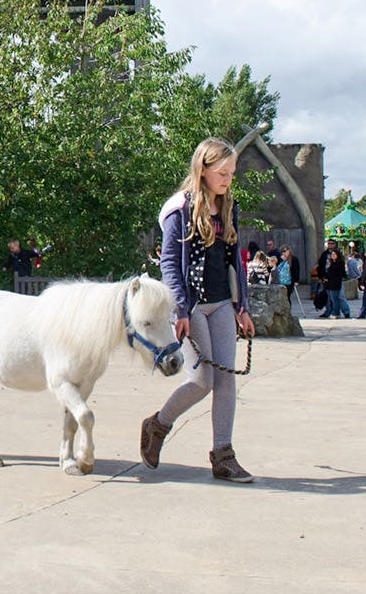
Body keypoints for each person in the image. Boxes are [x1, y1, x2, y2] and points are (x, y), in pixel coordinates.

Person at [141, 137, 256, 483]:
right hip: (191, 306)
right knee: (203, 380)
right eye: (222, 173)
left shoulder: (229, 206)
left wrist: (242, 306)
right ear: (203, 169)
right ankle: (158, 425)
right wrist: (179, 311)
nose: (227, 179)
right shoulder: (180, 209)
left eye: (232, 173)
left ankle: (223, 455)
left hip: (222, 303)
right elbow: (170, 264)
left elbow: (235, 259)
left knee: (226, 381)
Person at [322, 247, 349, 319]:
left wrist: (328, 277)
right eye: (332, 254)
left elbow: (338, 273)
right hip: (330, 284)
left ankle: (336, 313)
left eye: (334, 254)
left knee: (336, 299)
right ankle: (334, 312)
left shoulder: (339, 263)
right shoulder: (332, 263)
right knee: (332, 299)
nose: (332, 255)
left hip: (335, 283)